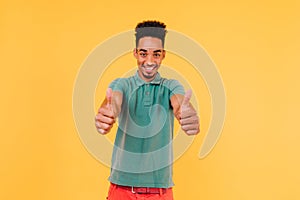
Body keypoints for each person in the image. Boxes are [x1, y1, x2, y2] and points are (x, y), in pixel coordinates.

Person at [95, 20, 200, 200]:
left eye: (156, 54)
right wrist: (108, 111)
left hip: (161, 193)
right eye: (143, 53)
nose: (149, 61)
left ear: (163, 55)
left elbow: (179, 103)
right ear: (135, 53)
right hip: (121, 190)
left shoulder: (171, 86)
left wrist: (186, 113)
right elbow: (114, 101)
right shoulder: (122, 84)